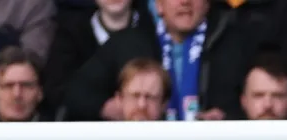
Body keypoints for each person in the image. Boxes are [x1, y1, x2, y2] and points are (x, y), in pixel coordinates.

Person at [61, 0, 257, 122]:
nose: (185, 2)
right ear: (158, 5)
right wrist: (107, 107)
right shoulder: (129, 42)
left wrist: (228, 118)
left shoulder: (234, 41)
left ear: (207, 3)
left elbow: (266, 99)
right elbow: (75, 92)